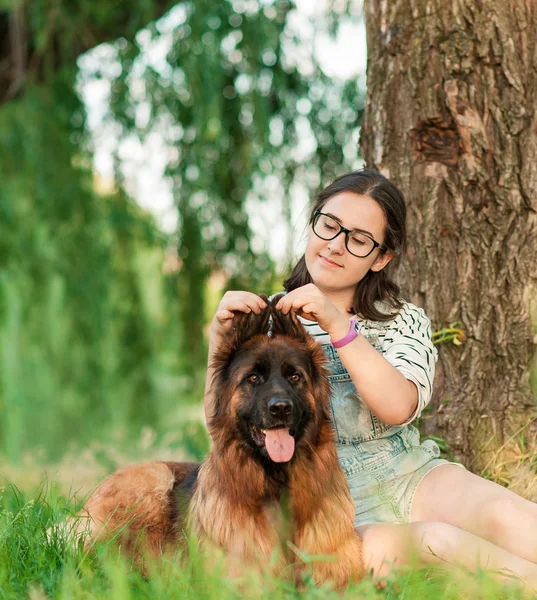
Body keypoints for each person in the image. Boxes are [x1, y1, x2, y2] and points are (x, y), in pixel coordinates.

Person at [204, 169, 537, 589]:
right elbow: (221, 423)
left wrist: (338, 324)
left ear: (380, 258)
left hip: (410, 476)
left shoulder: (401, 320)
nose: (335, 245)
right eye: (329, 225)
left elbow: (398, 408)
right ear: (314, 221)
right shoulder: (265, 321)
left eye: (359, 239)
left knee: (509, 518)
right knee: (439, 542)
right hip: (324, 507)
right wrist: (220, 338)